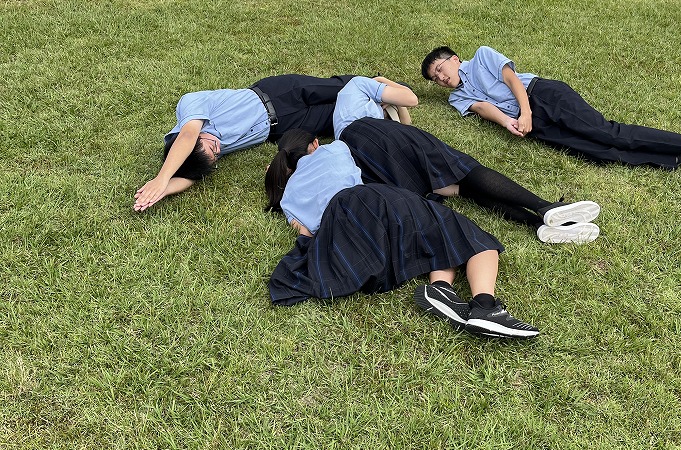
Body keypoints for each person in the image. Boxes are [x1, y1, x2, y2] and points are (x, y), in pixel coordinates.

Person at [265, 131, 539, 339]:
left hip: (345, 235)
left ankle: (442, 290)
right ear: (314, 143)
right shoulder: (334, 148)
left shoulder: (288, 197)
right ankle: (485, 306)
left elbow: (306, 233)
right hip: (369, 200)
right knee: (467, 236)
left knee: (432, 233)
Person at [334, 77, 601, 243]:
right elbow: (410, 100)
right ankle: (545, 206)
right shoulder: (358, 83)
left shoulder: (343, 120)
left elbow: (405, 126)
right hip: (376, 135)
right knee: (465, 169)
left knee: (462, 189)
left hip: (368, 162)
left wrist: (390, 107)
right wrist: (385, 82)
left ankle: (539, 225)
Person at [422, 46, 681, 178]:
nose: (440, 78)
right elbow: (483, 107)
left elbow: (512, 79)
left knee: (609, 134)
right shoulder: (457, 98)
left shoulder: (481, 56)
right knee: (601, 154)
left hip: (542, 95)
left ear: (454, 58)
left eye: (439, 69)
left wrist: (525, 112)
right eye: (435, 79)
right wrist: (510, 122)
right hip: (532, 124)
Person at [134, 74, 354, 212]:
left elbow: (186, 137)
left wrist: (161, 179)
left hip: (279, 94)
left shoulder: (189, 107)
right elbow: (191, 176)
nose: (219, 149)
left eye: (211, 147)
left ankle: (375, 83)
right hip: (282, 127)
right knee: (343, 115)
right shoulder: (202, 154)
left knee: (343, 87)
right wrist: (162, 191)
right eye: (216, 156)